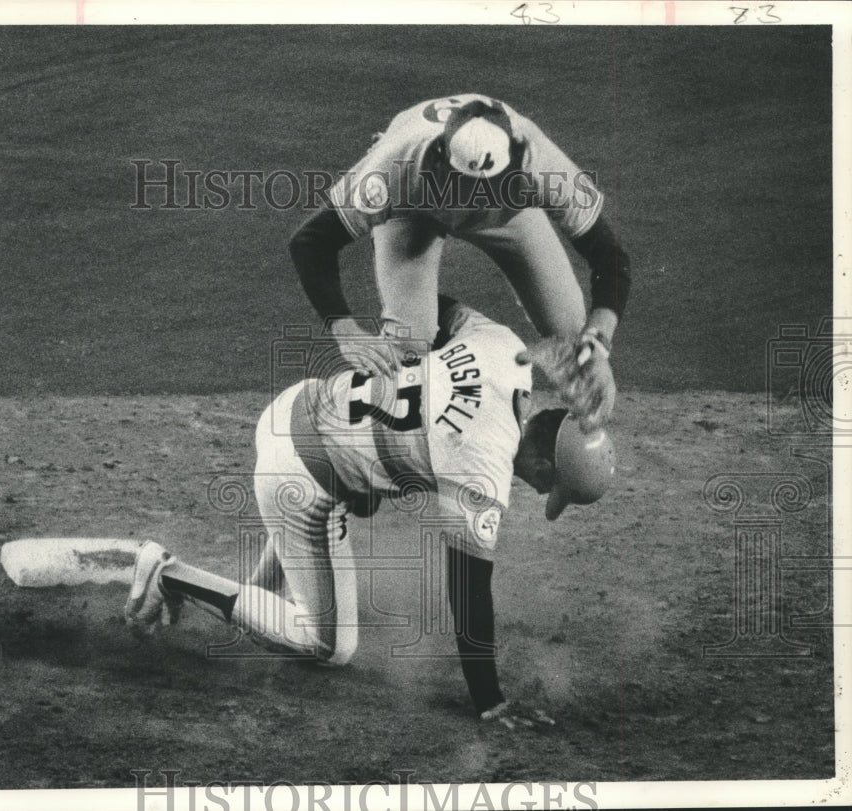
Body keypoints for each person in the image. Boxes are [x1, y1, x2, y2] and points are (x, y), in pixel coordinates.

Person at [124, 299, 616, 726]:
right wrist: (490, 700)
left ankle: (255, 595)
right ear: (549, 462)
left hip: (298, 403)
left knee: (357, 495)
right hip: (296, 481)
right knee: (329, 647)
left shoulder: (506, 351)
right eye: (552, 485)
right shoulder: (484, 471)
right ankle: (170, 577)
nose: (540, 492)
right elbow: (470, 599)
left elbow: (423, 304)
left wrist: (412, 368)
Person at [288, 93, 630, 431]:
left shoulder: (541, 163)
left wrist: (598, 342)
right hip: (415, 209)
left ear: (517, 157)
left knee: (575, 342)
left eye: (489, 187)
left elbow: (610, 256)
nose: (473, 199)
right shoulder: (395, 165)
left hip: (509, 216)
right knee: (408, 343)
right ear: (439, 157)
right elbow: (310, 241)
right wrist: (345, 332)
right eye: (464, 186)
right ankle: (377, 445)